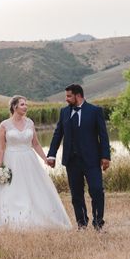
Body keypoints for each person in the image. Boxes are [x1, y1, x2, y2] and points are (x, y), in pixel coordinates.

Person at [0, 95, 71, 231]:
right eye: (22, 104)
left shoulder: (30, 123)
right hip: (11, 160)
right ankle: (12, 219)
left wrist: (45, 158)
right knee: (11, 190)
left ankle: (37, 217)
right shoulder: (4, 125)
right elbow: (1, 148)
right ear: (14, 107)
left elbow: (36, 144)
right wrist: (0, 167)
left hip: (29, 160)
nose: (25, 106)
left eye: (26, 104)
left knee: (34, 189)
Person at [46, 84, 111, 231]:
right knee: (76, 194)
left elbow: (103, 136)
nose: (66, 99)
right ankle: (81, 224)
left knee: (96, 190)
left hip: (92, 160)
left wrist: (105, 156)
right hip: (71, 160)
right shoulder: (64, 112)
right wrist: (51, 155)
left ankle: (98, 223)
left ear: (78, 95)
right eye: (66, 96)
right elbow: (58, 134)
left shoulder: (95, 111)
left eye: (69, 96)